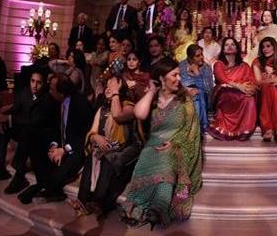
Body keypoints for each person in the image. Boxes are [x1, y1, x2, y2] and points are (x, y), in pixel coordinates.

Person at [121, 58, 202, 229]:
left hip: (177, 146)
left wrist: (176, 144)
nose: (179, 78)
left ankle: (159, 208)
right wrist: (151, 91)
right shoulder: (152, 99)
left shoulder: (184, 99)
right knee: (149, 156)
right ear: (161, 78)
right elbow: (140, 114)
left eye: (179, 74)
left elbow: (192, 130)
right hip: (152, 146)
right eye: (174, 75)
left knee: (167, 158)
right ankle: (142, 204)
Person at [18, 73, 93, 204]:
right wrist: (54, 145)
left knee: (68, 163)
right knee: (33, 141)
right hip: (62, 144)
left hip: (77, 148)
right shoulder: (56, 101)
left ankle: (42, 187)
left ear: (62, 92)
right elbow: (56, 129)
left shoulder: (80, 103)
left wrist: (64, 150)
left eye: (52, 89)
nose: (49, 91)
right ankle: (47, 186)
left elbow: (84, 136)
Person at [0, 70, 58, 194]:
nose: (34, 85)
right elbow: (16, 108)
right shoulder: (24, 92)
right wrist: (5, 115)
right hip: (24, 127)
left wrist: (10, 119)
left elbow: (34, 121)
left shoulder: (47, 99)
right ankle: (0, 168)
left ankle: (19, 176)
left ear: (44, 84)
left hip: (39, 134)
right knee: (4, 127)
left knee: (26, 133)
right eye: (32, 81)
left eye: (38, 82)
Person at [75, 77, 142, 217]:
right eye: (107, 85)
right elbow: (92, 132)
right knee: (91, 157)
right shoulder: (102, 109)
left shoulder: (129, 106)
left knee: (107, 159)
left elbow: (117, 115)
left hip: (125, 147)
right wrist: (95, 137)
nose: (108, 88)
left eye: (112, 85)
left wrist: (116, 93)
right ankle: (82, 201)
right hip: (106, 146)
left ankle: (98, 201)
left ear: (120, 89)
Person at [207, 38, 257, 141]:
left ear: (237, 48)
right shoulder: (218, 64)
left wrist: (248, 89)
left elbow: (252, 81)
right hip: (224, 93)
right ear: (223, 49)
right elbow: (222, 79)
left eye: (232, 44)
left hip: (242, 94)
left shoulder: (244, 66)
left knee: (249, 99)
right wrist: (240, 86)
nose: (229, 46)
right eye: (226, 45)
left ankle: (244, 130)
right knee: (228, 93)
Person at [253, 37, 277, 144]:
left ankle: (268, 129)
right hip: (261, 92)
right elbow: (258, 82)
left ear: (274, 47)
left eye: (268, 46)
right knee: (268, 87)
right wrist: (271, 78)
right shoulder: (257, 61)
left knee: (272, 88)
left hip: (276, 91)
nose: (265, 49)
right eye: (263, 47)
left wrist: (269, 78)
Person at [180, 44, 214, 132]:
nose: (201, 57)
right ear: (190, 58)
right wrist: (188, 90)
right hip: (184, 94)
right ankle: (199, 126)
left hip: (204, 97)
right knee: (195, 97)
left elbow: (208, 90)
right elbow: (179, 84)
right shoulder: (181, 66)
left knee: (199, 95)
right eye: (197, 56)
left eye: (201, 54)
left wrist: (197, 73)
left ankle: (196, 128)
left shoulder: (206, 67)